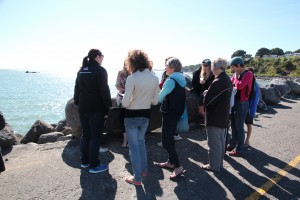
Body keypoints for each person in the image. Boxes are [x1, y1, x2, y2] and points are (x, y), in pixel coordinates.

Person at [122, 49, 159, 186]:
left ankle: (137, 178)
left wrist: (130, 100)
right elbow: (155, 101)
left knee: (134, 147)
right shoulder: (154, 78)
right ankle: (144, 170)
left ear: (131, 62)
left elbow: (125, 103)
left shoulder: (132, 78)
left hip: (131, 116)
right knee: (141, 142)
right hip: (146, 115)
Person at [74, 49, 112, 173]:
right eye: (102, 56)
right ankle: (94, 165)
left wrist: (78, 103)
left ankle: (85, 161)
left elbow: (77, 90)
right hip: (96, 109)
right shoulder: (100, 70)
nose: (103, 59)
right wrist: (108, 107)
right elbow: (104, 90)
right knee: (95, 137)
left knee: (86, 134)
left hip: (83, 108)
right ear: (97, 57)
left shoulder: (81, 70)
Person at [201, 58, 232, 172]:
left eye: (212, 66)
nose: (211, 68)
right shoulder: (226, 79)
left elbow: (208, 101)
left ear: (217, 67)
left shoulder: (218, 81)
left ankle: (214, 166)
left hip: (215, 116)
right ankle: (218, 164)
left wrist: (205, 94)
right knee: (220, 141)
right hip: (223, 115)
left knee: (214, 143)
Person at [158, 57, 186, 179]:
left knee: (166, 142)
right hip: (176, 113)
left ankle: (178, 167)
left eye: (166, 66)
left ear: (172, 68)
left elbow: (159, 98)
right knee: (170, 139)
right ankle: (170, 162)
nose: (165, 68)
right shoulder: (181, 79)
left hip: (169, 114)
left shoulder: (170, 80)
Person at [227, 57, 253, 157]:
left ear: (238, 65)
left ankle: (239, 149)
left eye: (233, 67)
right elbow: (231, 83)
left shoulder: (248, 74)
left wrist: (236, 78)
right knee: (233, 125)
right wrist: (235, 79)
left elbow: (239, 86)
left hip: (242, 103)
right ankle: (232, 144)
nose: (232, 69)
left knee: (239, 126)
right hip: (235, 101)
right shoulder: (236, 73)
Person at [115, 62, 130, 148]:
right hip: (123, 97)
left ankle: (128, 141)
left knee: (130, 120)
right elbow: (117, 86)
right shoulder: (121, 73)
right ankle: (125, 141)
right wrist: (126, 90)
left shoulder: (135, 73)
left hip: (133, 99)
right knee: (123, 119)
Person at [244, 67, 259, 147]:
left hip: (249, 108)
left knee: (248, 124)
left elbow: (255, 99)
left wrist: (252, 111)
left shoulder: (255, 85)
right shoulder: (246, 82)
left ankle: (247, 140)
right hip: (243, 106)